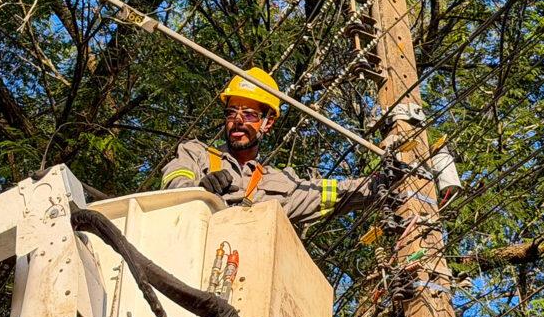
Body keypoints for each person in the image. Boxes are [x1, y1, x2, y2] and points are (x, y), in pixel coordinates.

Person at [160, 68, 384, 226]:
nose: (238, 120)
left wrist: (380, 184)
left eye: (249, 114)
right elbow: (174, 183)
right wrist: (199, 191)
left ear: (268, 123)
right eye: (232, 112)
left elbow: (329, 194)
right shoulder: (197, 153)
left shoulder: (279, 184)